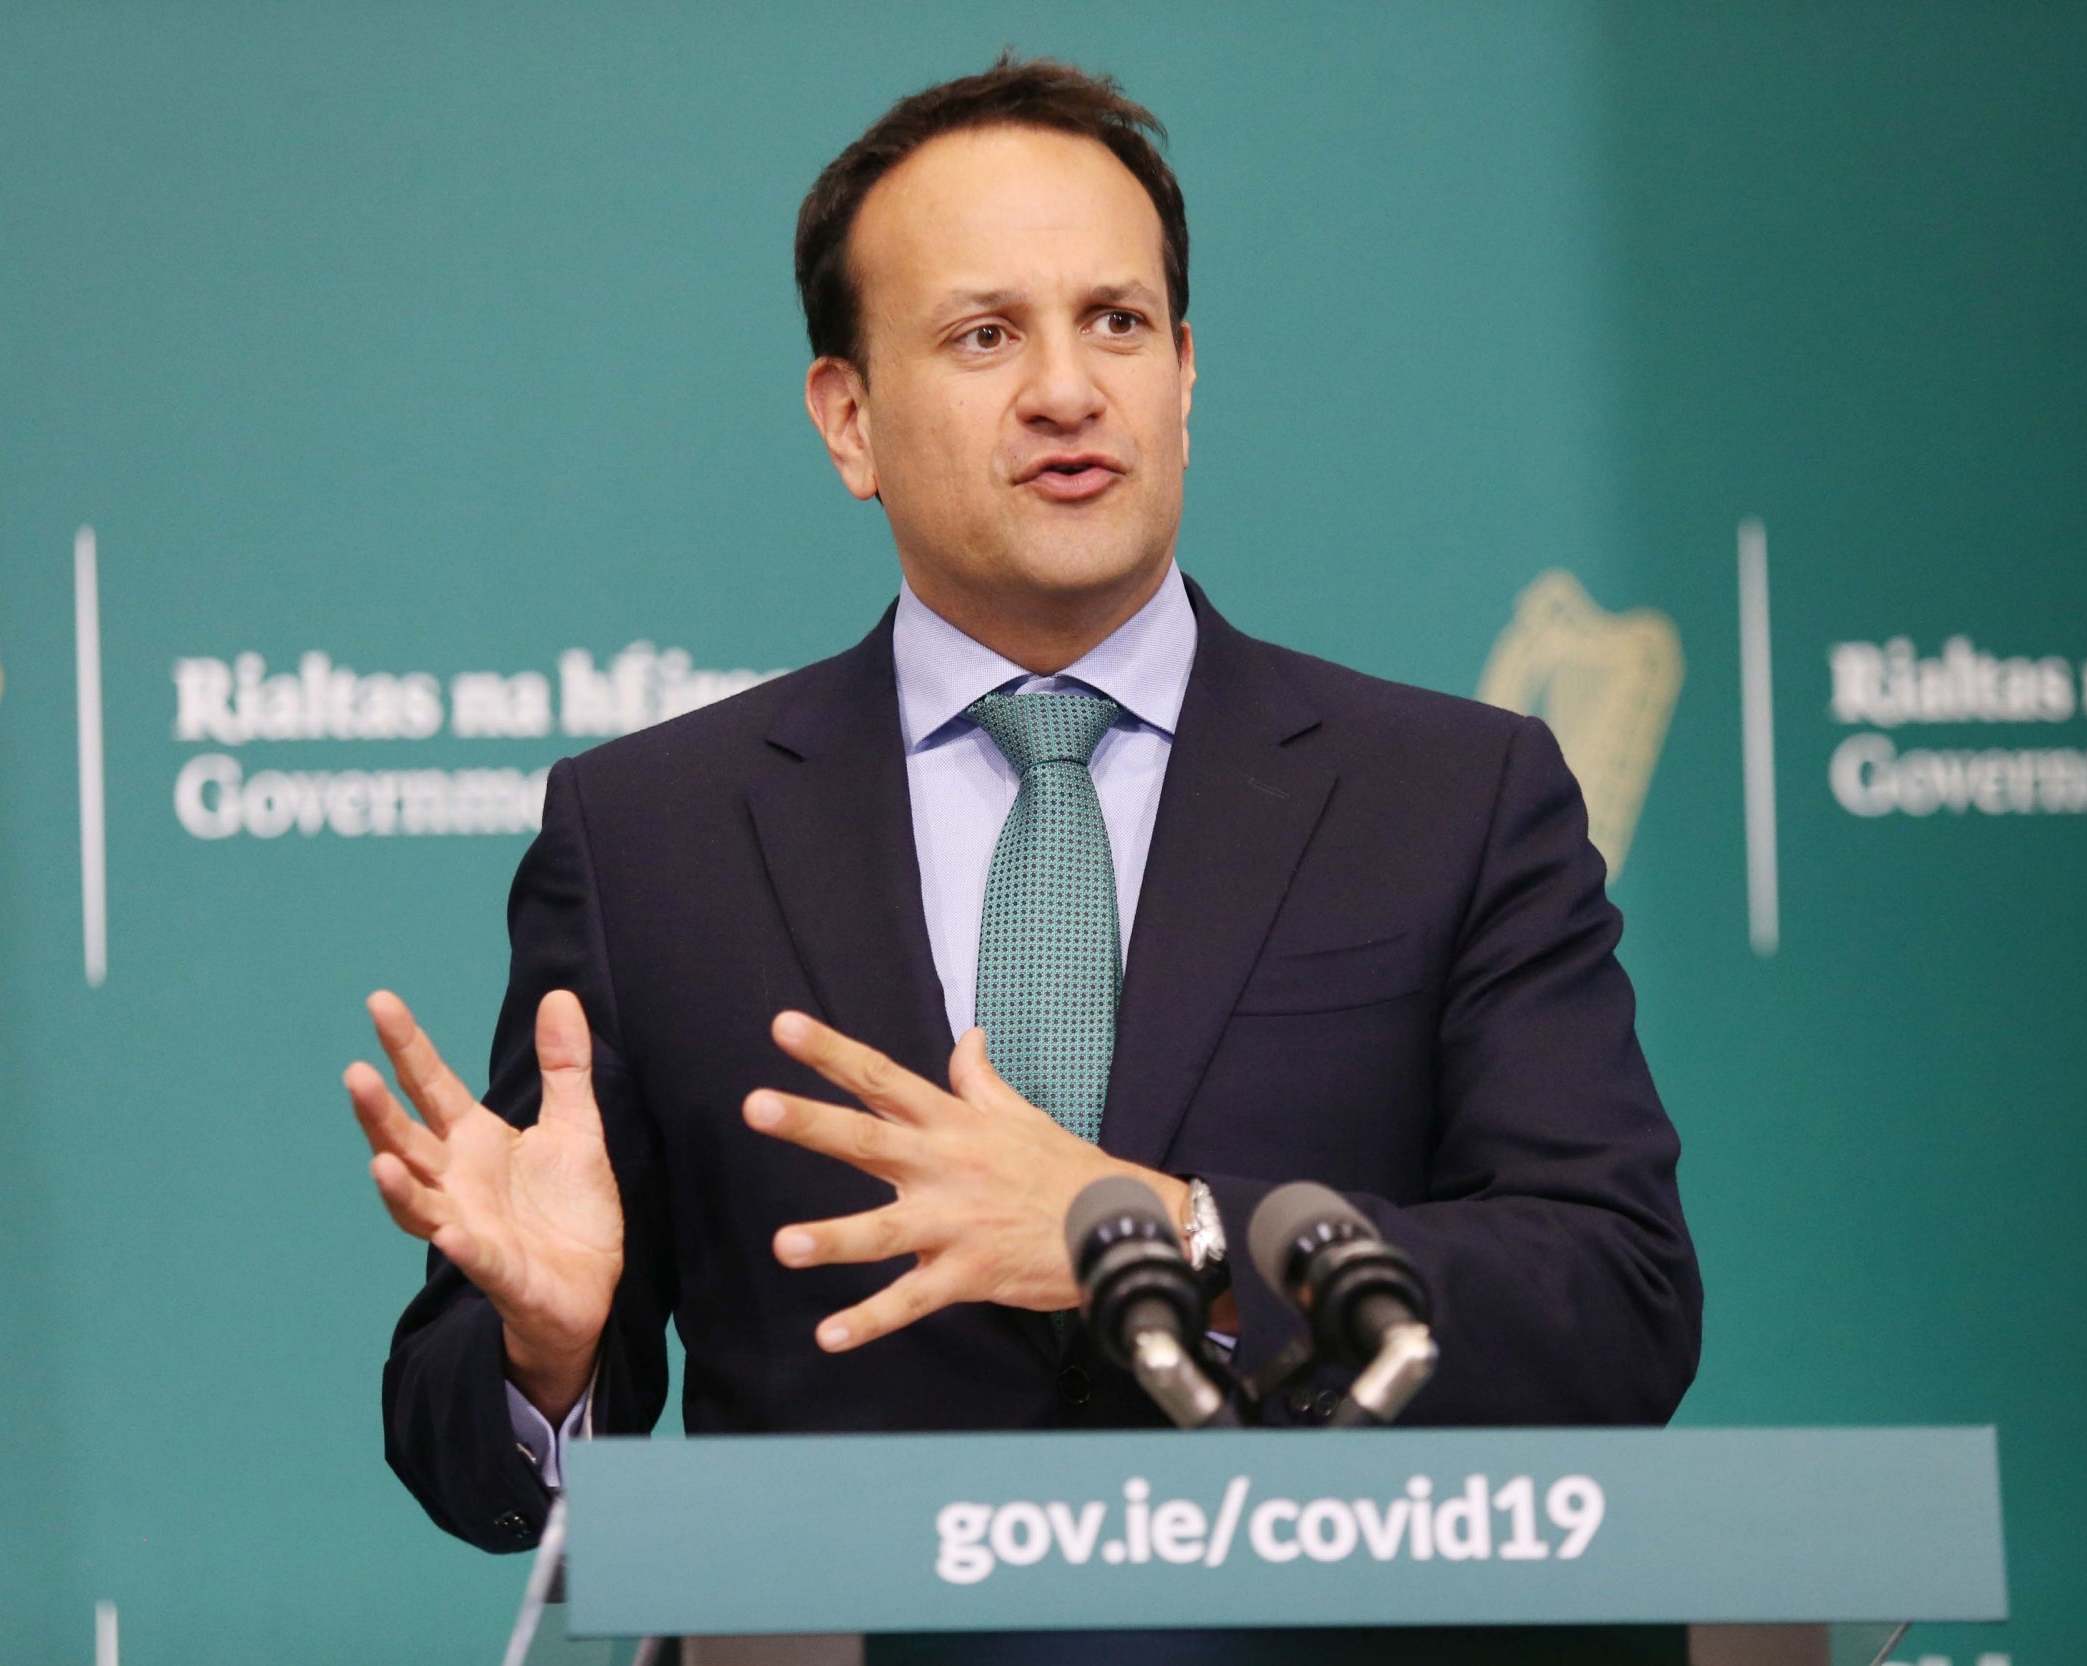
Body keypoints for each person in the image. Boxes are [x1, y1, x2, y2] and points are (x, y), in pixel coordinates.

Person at [351, 54, 1701, 1560]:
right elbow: (465, 1448)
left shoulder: (1449, 796)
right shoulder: (652, 837)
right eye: (984, 334)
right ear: (847, 418)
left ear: (1183, 376)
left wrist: (1164, 1232)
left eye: (1115, 321)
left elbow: (1615, 1302)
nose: (1068, 389)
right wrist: (546, 1350)